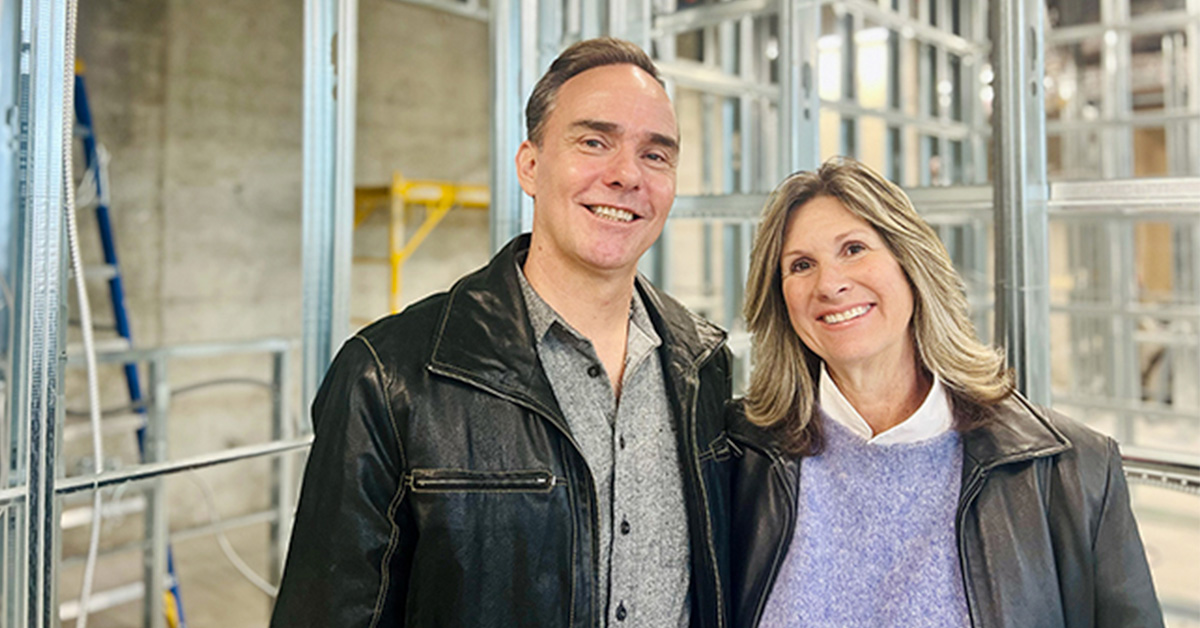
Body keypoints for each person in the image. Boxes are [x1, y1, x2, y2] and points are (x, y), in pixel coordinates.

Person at [270, 37, 733, 628]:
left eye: (656, 155)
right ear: (531, 166)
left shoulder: (704, 365)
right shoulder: (388, 377)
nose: (625, 175)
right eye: (594, 142)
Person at [727, 156, 1163, 628]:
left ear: (911, 266)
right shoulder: (736, 457)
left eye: (853, 249)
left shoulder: (1071, 473)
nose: (830, 284)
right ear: (780, 297)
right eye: (801, 265)